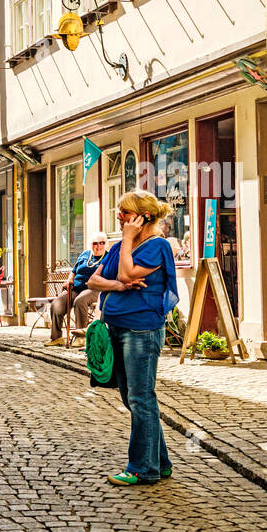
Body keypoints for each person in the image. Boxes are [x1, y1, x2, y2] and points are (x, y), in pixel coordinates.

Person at [87, 190, 179, 486]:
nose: (119, 216)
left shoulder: (157, 246)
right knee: (132, 397)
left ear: (142, 217)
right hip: (116, 325)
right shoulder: (117, 246)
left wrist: (127, 240)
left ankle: (142, 468)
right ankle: (160, 462)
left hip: (141, 329)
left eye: (125, 213)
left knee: (141, 397)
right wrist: (119, 286)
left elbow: (128, 273)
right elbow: (94, 280)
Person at [48, 233, 107, 346]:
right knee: (56, 304)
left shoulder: (108, 257)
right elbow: (74, 271)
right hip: (76, 287)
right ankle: (56, 338)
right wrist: (69, 279)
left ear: (105, 244)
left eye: (102, 243)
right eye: (95, 243)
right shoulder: (85, 255)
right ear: (91, 245)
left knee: (80, 301)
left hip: (94, 289)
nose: (98, 246)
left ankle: (81, 337)